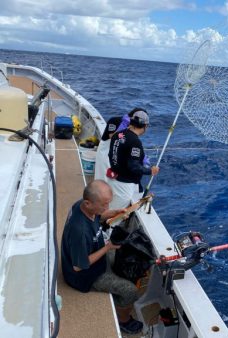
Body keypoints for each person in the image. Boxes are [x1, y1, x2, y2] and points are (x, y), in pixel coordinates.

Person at [61, 180, 144, 334]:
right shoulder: (79, 230)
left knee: (127, 255)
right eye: (104, 205)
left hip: (96, 252)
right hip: (84, 276)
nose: (107, 208)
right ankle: (123, 321)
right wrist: (108, 247)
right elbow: (78, 266)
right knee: (130, 291)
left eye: (108, 204)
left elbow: (97, 217)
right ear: (88, 202)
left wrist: (112, 214)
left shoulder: (82, 206)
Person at [107, 108, 159, 210]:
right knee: (115, 215)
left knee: (111, 209)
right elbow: (134, 167)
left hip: (113, 180)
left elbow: (110, 154)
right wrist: (150, 171)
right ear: (145, 126)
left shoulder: (118, 134)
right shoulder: (135, 141)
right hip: (124, 185)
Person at [94, 116, 123, 181]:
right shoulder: (114, 121)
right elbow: (111, 136)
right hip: (104, 152)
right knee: (102, 175)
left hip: (112, 153)